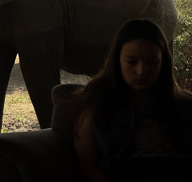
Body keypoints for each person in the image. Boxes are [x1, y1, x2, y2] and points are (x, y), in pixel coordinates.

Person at [72, 19, 192, 182]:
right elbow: (86, 165)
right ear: (117, 61)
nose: (141, 71)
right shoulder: (96, 104)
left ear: (163, 62)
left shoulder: (184, 105)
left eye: (151, 62)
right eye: (131, 62)